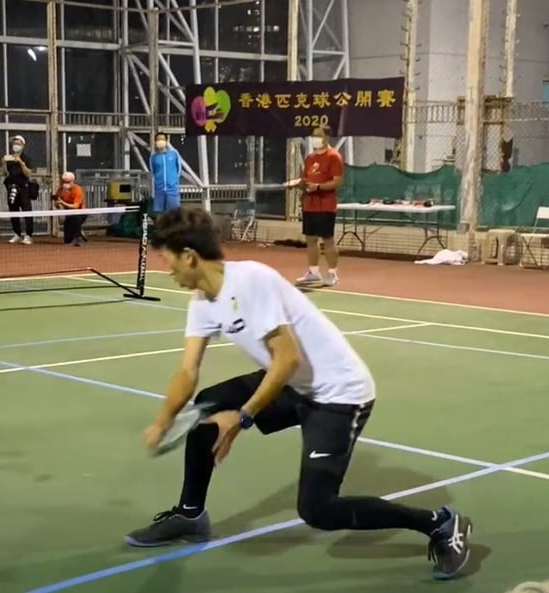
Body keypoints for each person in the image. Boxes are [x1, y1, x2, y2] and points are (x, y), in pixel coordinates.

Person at [127, 206, 473, 581]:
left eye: (169, 261)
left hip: (339, 394)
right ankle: (190, 514)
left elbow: (286, 360)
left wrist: (242, 418)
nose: (169, 271)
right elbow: (188, 370)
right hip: (297, 385)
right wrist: (163, 422)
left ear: (190, 257)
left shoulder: (251, 281)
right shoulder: (203, 302)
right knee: (206, 404)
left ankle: (440, 523)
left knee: (318, 509)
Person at [296, 124, 343, 286]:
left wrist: (318, 187)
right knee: (310, 239)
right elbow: (305, 179)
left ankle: (332, 273)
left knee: (327, 240)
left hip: (326, 206)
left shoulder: (334, 156)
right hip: (310, 205)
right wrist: (300, 185)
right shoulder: (310, 158)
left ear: (327, 137)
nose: (315, 138)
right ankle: (313, 272)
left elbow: (336, 182)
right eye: (313, 135)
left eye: (318, 135)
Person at [2, 135, 34, 244]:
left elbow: (28, 173)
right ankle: (17, 234)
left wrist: (21, 163)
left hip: (23, 188)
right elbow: (4, 173)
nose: (15, 146)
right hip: (12, 187)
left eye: (18, 144)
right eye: (14, 144)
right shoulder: (10, 158)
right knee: (13, 211)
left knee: (27, 211)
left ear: (23, 145)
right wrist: (4, 163)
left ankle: (28, 235)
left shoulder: (27, 158)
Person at [149, 132, 182, 215]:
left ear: (166, 141)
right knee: (159, 214)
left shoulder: (174, 154)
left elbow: (179, 170)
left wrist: (173, 182)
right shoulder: (153, 157)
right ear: (155, 142)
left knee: (174, 214)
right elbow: (152, 172)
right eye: (158, 139)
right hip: (159, 190)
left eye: (162, 139)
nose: (160, 141)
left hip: (172, 190)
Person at [53, 171, 85, 246]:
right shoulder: (60, 190)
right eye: (63, 181)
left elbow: (76, 206)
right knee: (67, 240)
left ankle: (78, 237)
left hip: (79, 212)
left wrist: (63, 203)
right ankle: (76, 234)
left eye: (67, 182)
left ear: (72, 181)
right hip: (68, 212)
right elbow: (57, 204)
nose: (65, 183)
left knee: (75, 217)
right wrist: (57, 204)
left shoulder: (77, 189)